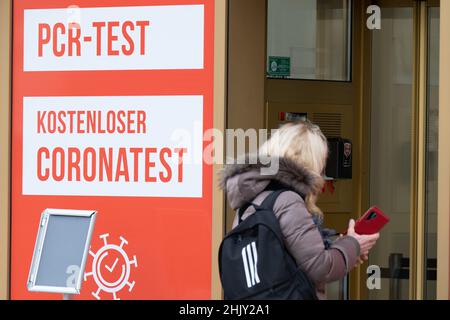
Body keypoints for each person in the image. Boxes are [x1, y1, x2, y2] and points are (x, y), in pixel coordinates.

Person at [220, 121, 379, 299]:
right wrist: (353, 243)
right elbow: (321, 268)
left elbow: (286, 262)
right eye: (322, 161)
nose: (322, 170)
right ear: (310, 160)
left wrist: (345, 250)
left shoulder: (251, 201)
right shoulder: (287, 200)